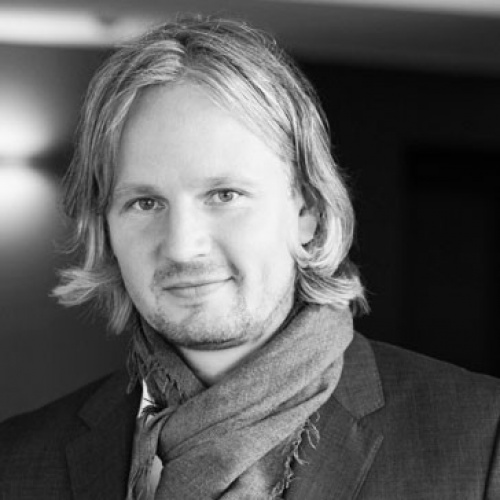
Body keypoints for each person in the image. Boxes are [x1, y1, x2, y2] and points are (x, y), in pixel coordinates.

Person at [1, 14, 499, 500]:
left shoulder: (482, 439)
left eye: (225, 195)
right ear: (106, 225)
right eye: (145, 203)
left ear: (307, 212)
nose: (182, 246)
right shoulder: (16, 463)